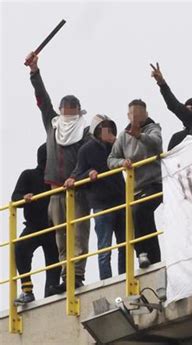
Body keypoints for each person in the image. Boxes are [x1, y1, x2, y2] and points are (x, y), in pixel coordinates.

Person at [25, 52, 90, 293]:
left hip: (78, 189)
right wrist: (35, 72)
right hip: (55, 189)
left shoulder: (85, 130)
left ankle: (78, 274)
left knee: (79, 234)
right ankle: (67, 274)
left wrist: (76, 176)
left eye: (72, 108)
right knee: (61, 236)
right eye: (65, 108)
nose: (68, 112)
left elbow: (85, 158)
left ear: (79, 110)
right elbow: (42, 100)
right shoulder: (53, 125)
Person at [108, 99, 163, 268]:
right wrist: (122, 162)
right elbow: (111, 159)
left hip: (154, 184)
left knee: (139, 211)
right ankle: (153, 259)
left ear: (146, 114)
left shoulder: (153, 128)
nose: (136, 118)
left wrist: (140, 135)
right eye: (132, 114)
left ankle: (142, 253)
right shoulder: (124, 136)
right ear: (128, 115)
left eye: (139, 114)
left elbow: (156, 143)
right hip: (135, 188)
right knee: (143, 220)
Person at [71, 115, 125, 280]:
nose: (107, 131)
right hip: (101, 204)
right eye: (103, 128)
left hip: (121, 201)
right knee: (104, 247)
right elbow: (77, 175)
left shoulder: (116, 146)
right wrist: (89, 173)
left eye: (109, 127)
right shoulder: (86, 150)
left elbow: (131, 154)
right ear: (96, 130)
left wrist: (118, 142)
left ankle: (124, 276)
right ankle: (107, 281)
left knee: (125, 244)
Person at [12, 144, 61, 305]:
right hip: (34, 225)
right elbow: (15, 197)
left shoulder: (57, 178)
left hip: (53, 227)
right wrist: (24, 197)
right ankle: (27, 290)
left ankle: (51, 293)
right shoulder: (29, 175)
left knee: (54, 261)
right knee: (20, 248)